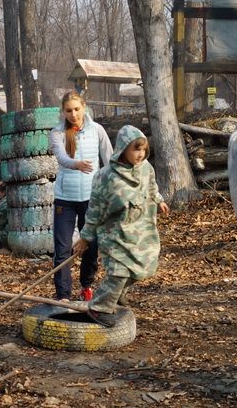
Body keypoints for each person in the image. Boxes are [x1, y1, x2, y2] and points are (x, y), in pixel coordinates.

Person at [72, 125, 170, 320]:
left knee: (141, 268)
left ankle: (117, 295)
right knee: (119, 272)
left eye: (143, 149)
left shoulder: (146, 168)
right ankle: (99, 307)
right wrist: (85, 237)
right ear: (123, 148)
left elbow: (151, 186)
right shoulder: (106, 176)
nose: (140, 154)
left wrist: (158, 200)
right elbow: (95, 209)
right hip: (114, 233)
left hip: (140, 231)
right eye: (136, 149)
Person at [49, 91, 113, 302]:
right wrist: (76, 164)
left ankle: (87, 286)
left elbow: (110, 159)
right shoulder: (57, 132)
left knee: (91, 246)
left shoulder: (97, 130)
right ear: (63, 111)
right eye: (69, 110)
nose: (73, 114)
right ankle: (63, 295)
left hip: (92, 198)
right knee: (62, 248)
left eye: (77, 109)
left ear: (84, 107)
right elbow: (61, 158)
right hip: (65, 198)